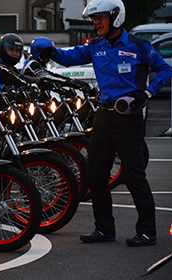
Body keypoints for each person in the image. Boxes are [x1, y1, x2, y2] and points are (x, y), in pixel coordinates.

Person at [39, 0, 172, 246]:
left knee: (133, 175)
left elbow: (165, 70)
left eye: (100, 17)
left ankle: (147, 231)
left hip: (129, 118)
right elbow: (71, 57)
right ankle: (104, 229)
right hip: (103, 116)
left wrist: (148, 92)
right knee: (96, 175)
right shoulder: (96, 46)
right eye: (94, 18)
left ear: (115, 17)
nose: (96, 23)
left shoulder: (139, 45)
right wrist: (52, 53)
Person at [22, 37, 89, 89]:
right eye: (46, 54)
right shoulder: (32, 64)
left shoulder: (39, 64)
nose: (49, 57)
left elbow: (51, 74)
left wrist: (70, 80)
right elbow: (46, 77)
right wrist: (69, 82)